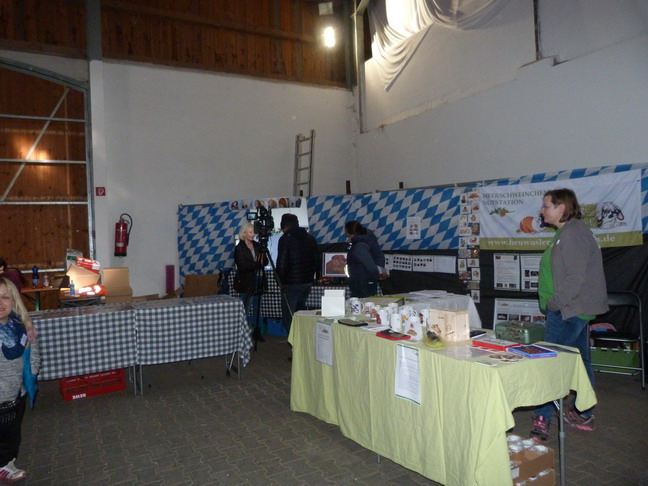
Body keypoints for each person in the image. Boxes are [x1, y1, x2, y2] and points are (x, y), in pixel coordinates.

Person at [530, 188, 608, 443]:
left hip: (568, 310)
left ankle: (542, 418)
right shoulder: (566, 232)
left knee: (550, 363)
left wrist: (554, 303)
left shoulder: (573, 234)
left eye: (546, 206)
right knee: (581, 361)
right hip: (573, 309)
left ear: (561, 208)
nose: (542, 210)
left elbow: (575, 278)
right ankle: (584, 413)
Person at [0, 277, 40, 483]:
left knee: (12, 434)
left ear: (13, 300)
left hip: (17, 393)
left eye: (5, 297)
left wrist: (32, 372)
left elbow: (32, 351)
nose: (0, 303)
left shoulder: (20, 325)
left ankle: (5, 463)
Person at [276, 214, 318, 333]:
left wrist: (280, 282)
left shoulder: (285, 239)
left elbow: (281, 264)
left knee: (289, 315)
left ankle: (293, 339)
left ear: (283, 226)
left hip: (291, 283)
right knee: (300, 314)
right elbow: (316, 260)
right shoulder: (310, 238)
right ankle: (301, 338)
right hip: (307, 281)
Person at [233, 223, 268, 339]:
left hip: (259, 278)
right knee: (246, 307)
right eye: (250, 232)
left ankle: (257, 331)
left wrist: (259, 263)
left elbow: (265, 261)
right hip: (246, 281)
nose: (253, 234)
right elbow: (242, 266)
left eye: (253, 232)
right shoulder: (239, 248)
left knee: (257, 306)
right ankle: (244, 331)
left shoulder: (258, 245)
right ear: (244, 233)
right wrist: (257, 264)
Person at [344, 221, 386, 298]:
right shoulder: (363, 241)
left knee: (363, 302)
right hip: (364, 281)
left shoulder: (359, 246)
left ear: (347, 232)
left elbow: (371, 266)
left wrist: (378, 275)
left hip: (362, 282)